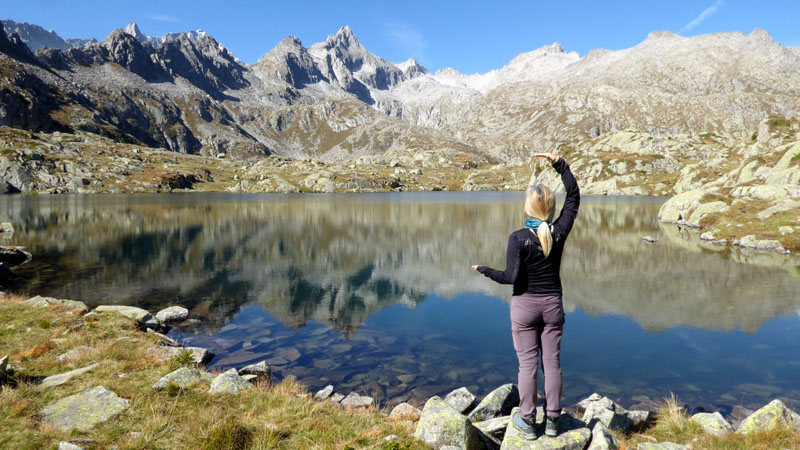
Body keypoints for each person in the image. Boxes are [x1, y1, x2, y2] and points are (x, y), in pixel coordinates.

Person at [471, 152, 580, 440]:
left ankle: (528, 422)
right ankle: (554, 420)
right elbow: (574, 196)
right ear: (550, 208)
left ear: (529, 208)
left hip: (524, 307)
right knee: (552, 363)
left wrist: (483, 269)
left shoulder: (518, 238)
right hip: (553, 305)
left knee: (528, 365)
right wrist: (560, 164)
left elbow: (511, 279)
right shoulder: (559, 231)